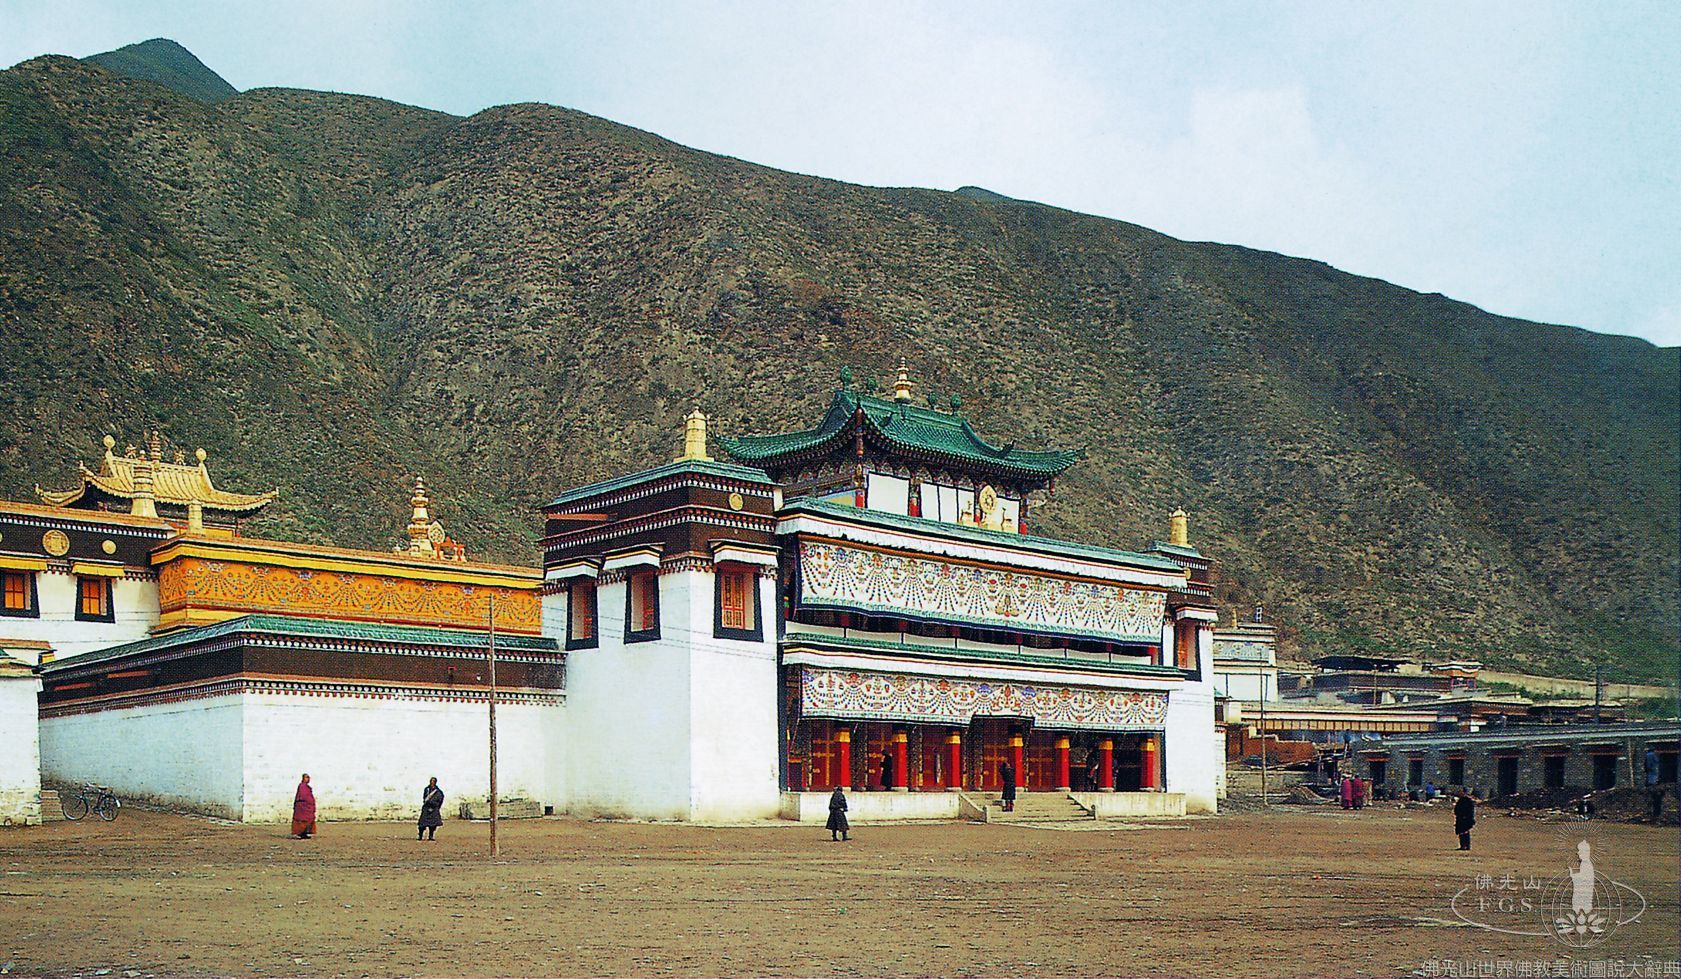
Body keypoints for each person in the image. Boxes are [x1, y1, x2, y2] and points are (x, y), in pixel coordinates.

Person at [418, 777, 445, 841]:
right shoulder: (427, 789)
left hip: (434, 809)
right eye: (431, 781)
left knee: (433, 825)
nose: (432, 782)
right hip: (426, 808)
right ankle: (420, 835)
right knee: (422, 824)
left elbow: (440, 801)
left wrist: (436, 807)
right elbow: (424, 798)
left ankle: (431, 836)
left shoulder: (439, 792)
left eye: (433, 781)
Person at [292, 774, 316, 839]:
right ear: (303, 778)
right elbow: (303, 796)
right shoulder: (301, 786)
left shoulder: (307, 787)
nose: (308, 779)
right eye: (306, 778)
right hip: (302, 807)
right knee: (301, 820)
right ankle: (300, 833)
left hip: (308, 807)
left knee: (309, 820)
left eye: (309, 778)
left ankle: (305, 833)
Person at [1645, 748, 1665, 820]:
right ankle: (1657, 814)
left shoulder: (1648, 755)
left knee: (1654, 803)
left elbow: (1648, 766)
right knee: (1657, 805)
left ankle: (1654, 814)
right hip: (1654, 779)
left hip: (1652, 780)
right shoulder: (1654, 756)